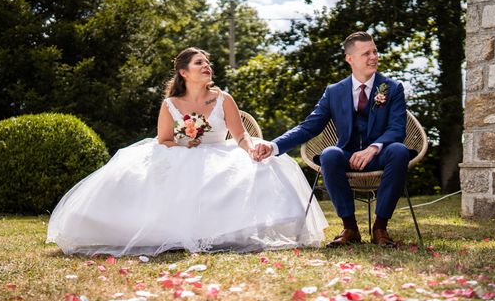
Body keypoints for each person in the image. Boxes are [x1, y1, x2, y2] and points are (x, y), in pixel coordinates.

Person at [47, 47, 327, 256]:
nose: (207, 66)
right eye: (199, 63)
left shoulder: (223, 98)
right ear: (184, 72)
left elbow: (240, 135)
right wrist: (185, 142)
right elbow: (164, 140)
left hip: (221, 151)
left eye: (208, 62)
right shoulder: (171, 103)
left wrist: (251, 149)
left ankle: (229, 232)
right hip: (182, 153)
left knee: (266, 166)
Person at [254, 31, 409, 248]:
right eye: (366, 53)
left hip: (380, 155)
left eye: (374, 51)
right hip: (346, 154)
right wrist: (273, 145)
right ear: (350, 59)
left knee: (399, 150)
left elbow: (397, 128)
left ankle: (380, 228)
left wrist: (373, 148)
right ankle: (350, 228)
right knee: (329, 154)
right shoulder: (334, 91)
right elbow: (310, 126)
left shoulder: (392, 88)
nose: (374, 56)